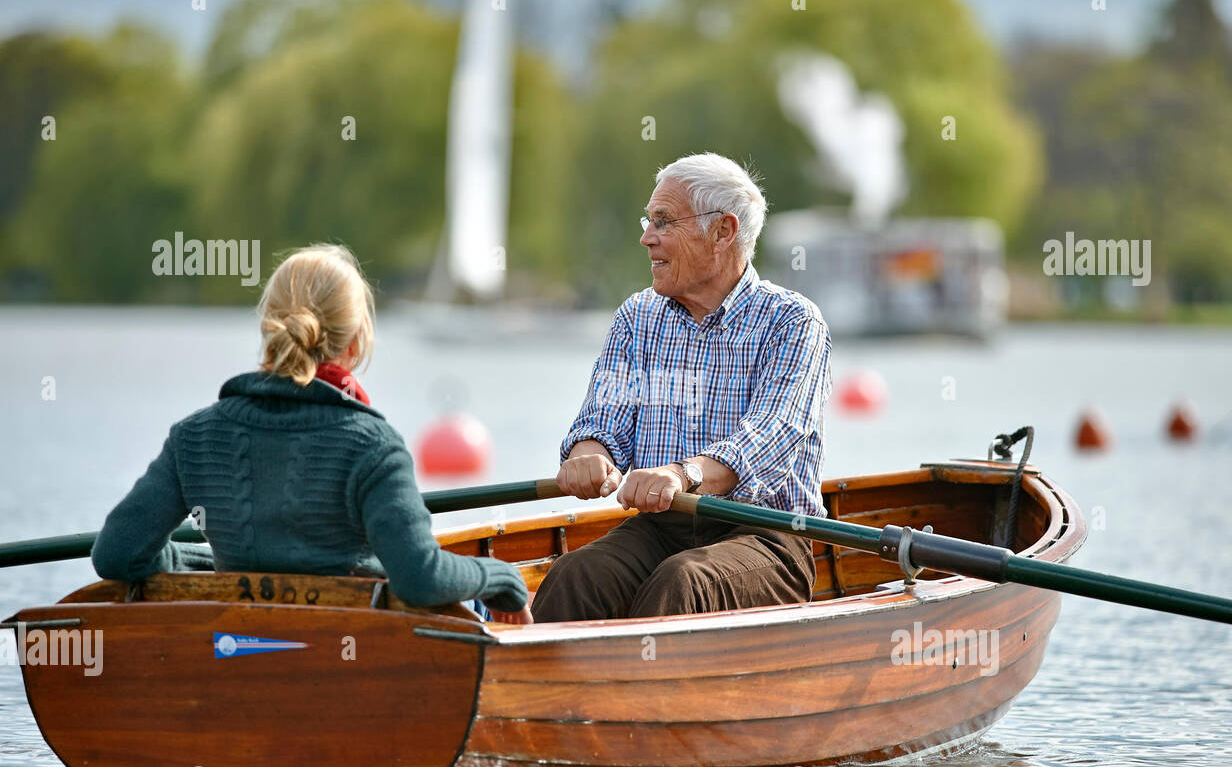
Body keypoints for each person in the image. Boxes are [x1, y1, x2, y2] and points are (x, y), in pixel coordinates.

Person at [90, 244, 528, 619]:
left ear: (268, 331)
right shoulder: (373, 446)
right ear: (355, 344)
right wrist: (502, 578)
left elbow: (118, 554)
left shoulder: (194, 436)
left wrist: (200, 565)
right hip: (350, 662)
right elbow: (419, 579)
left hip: (238, 648)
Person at [530, 153, 832, 622]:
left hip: (767, 535)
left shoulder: (793, 321)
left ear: (724, 232)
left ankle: (642, 695)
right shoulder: (637, 316)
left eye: (664, 222)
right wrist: (588, 456)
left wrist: (681, 474)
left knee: (683, 581)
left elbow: (774, 432)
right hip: (661, 527)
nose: (646, 237)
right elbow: (603, 420)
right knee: (574, 576)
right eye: (649, 221)